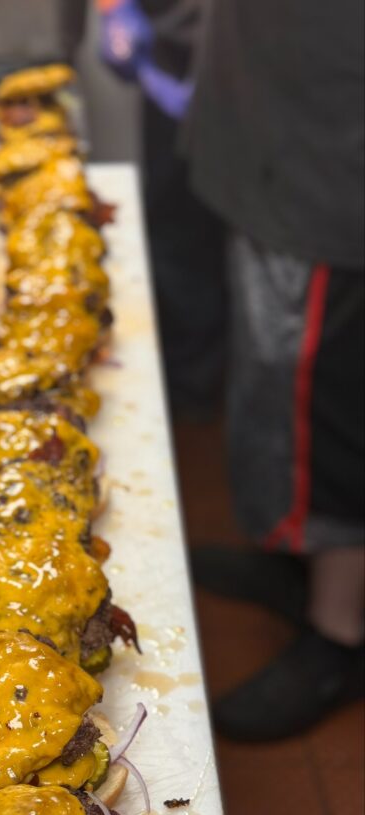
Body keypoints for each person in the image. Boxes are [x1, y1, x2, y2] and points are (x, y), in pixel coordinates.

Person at [183, 0, 364, 741]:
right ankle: (296, 561)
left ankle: (341, 631)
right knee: (271, 380)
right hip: (271, 118)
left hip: (333, 152)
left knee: (322, 398)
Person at [98, 0, 228, 419]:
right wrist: (114, 7)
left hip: (265, 61)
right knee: (176, 226)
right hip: (173, 43)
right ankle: (185, 392)